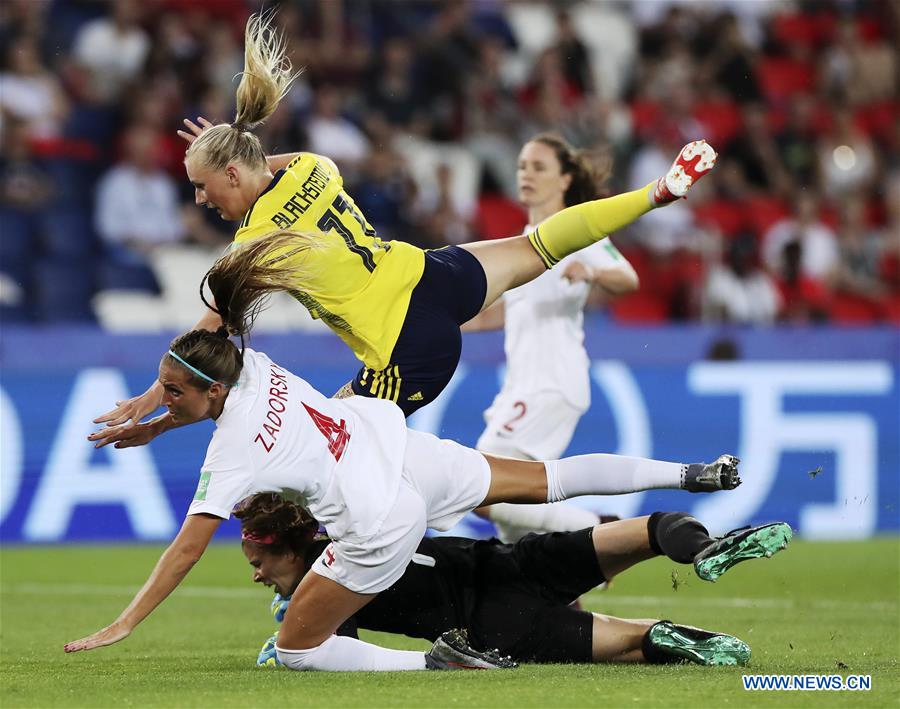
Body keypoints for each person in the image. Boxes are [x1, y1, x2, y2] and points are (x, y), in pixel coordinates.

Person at [91, 10, 718, 439]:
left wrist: (151, 401)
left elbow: (204, 338)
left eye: (202, 186)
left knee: (332, 465)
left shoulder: (254, 248)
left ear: (231, 175)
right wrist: (228, 148)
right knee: (540, 243)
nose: (200, 200)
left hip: (405, 347)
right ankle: (657, 191)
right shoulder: (315, 166)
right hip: (432, 275)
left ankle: (347, 614)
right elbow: (264, 165)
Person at [69, 329, 740, 672]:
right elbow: (199, 356)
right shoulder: (255, 363)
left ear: (213, 393)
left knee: (299, 649)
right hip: (404, 449)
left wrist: (126, 620)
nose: (166, 396)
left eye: (173, 392)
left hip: (380, 514)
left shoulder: (233, 451)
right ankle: (692, 474)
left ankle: (434, 662)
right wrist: (156, 419)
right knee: (548, 478)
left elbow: (188, 545)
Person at [237, 493, 791, 667]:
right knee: (652, 527)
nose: (258, 576)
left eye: (260, 563)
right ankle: (705, 547)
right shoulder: (362, 529)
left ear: (289, 550)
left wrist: (283, 644)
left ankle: (661, 633)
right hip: (514, 562)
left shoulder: (329, 584)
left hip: (492, 626)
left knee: (624, 644)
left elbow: (328, 651)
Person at [464, 134, 639, 542]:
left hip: (550, 382)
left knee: (481, 489)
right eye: (523, 166)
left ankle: (596, 530)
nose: (527, 174)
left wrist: (592, 273)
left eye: (539, 167)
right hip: (523, 384)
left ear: (564, 179)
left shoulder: (577, 232)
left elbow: (628, 278)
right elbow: (514, 310)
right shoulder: (528, 240)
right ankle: (557, 599)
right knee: (511, 517)